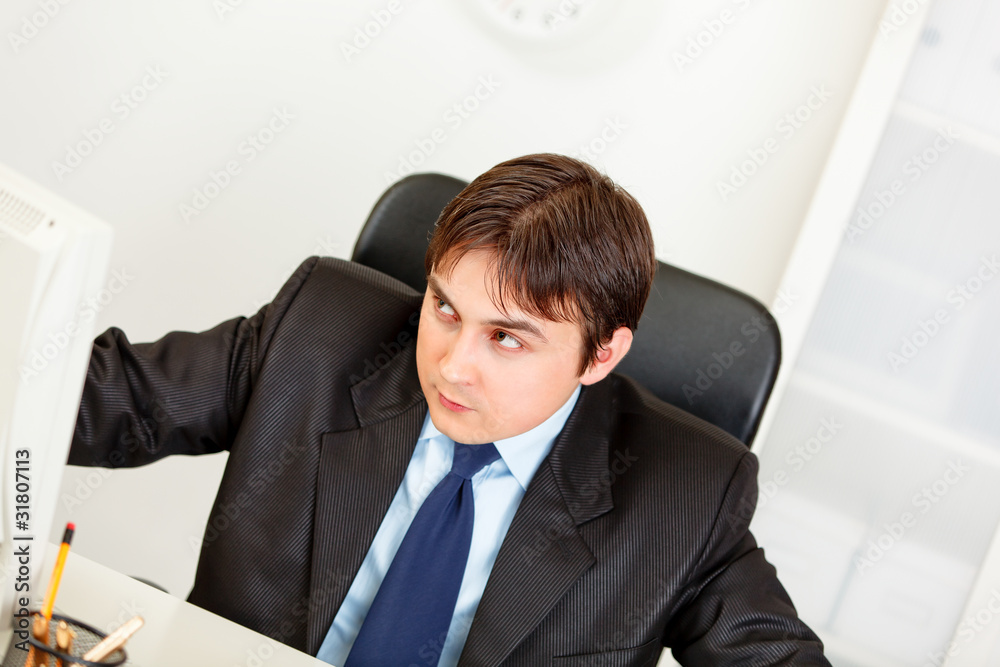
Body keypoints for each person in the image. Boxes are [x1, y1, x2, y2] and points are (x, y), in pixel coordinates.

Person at [70, 153, 830, 665]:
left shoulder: (684, 495)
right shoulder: (319, 333)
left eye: (507, 338)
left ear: (601, 354)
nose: (451, 364)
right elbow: (97, 397)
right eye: (444, 306)